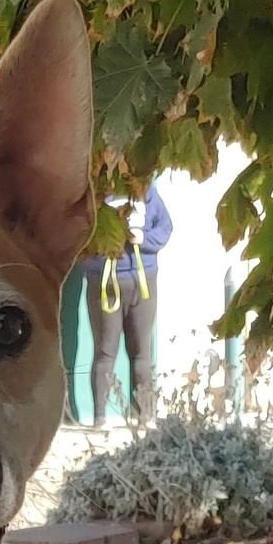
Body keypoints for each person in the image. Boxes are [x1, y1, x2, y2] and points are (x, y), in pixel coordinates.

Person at [83, 183, 173, 427]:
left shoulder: (147, 190)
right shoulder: (96, 193)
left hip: (144, 282)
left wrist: (143, 239)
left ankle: (145, 415)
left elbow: (166, 227)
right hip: (105, 281)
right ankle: (100, 417)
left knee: (142, 352)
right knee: (105, 352)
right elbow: (82, 235)